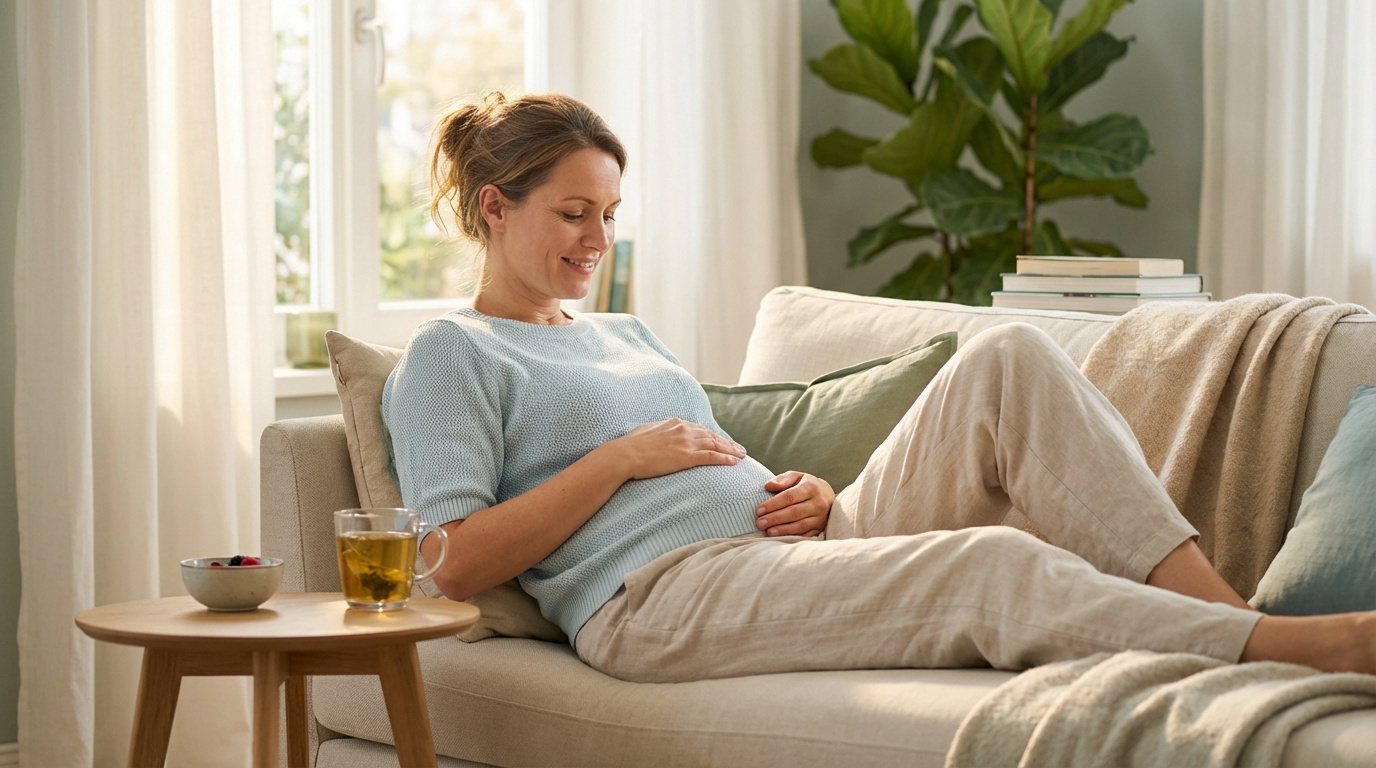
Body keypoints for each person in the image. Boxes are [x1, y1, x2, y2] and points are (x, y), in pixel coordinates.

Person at [382, 90, 1376, 684]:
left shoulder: (623, 331)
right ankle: (1291, 650)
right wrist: (617, 461)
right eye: (573, 214)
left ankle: (1233, 616)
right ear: (494, 207)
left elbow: (708, 460)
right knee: (989, 564)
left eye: (609, 213)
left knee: (1009, 358)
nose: (598, 239)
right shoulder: (452, 354)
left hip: (791, 544)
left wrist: (807, 490)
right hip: (657, 599)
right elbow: (447, 563)